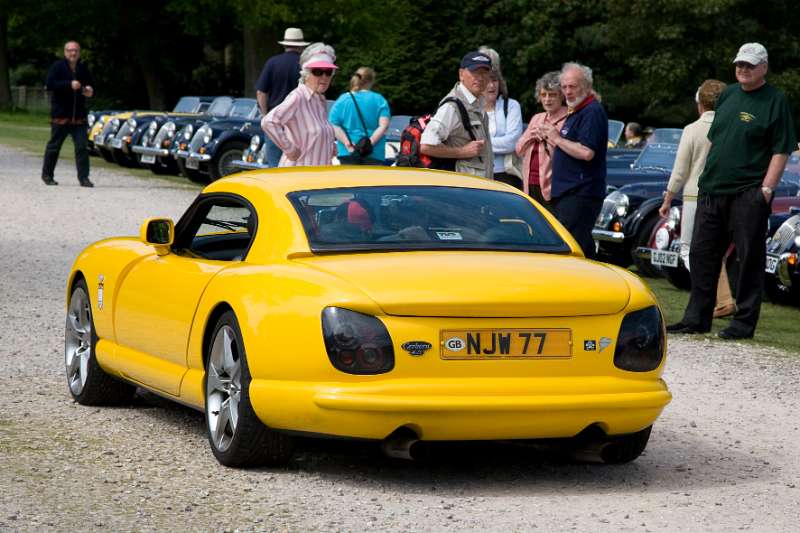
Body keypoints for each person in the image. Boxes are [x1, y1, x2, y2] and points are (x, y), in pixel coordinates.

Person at [667, 43, 796, 339]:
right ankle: (696, 318)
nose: (743, 69)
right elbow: (717, 139)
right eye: (739, 64)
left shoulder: (775, 100)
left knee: (748, 258)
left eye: (750, 65)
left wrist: (766, 189)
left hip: (748, 191)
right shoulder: (727, 95)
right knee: (701, 254)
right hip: (712, 189)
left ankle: (743, 322)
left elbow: (781, 149)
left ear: (763, 67)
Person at [658, 80, 735, 318]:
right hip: (725, 194)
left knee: (690, 250)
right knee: (715, 250)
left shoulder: (692, 129)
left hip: (695, 195)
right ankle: (720, 298)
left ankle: (716, 298)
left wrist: (668, 197)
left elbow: (680, 170)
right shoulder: (731, 127)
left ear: (700, 103)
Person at [540, 62, 608, 259]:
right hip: (568, 193)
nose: (567, 92)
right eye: (564, 87)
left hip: (580, 193)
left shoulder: (591, 112)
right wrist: (551, 140)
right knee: (581, 248)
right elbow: (566, 152)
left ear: (586, 86)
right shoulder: (576, 111)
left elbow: (587, 152)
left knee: (572, 250)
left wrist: (557, 138)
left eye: (572, 86)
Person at [419, 51, 493, 178]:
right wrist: (462, 151)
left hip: (477, 188)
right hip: (461, 190)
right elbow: (426, 146)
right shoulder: (452, 106)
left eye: (484, 72)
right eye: (474, 72)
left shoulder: (478, 103)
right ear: (461, 74)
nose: (480, 77)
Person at [261, 43, 337, 167]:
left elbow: (316, 133)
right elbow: (269, 122)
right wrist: (290, 149)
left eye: (328, 72)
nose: (324, 77)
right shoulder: (298, 96)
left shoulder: (320, 100)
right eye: (317, 72)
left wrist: (329, 145)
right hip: (298, 176)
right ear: (306, 74)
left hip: (318, 177)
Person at [41, 41, 94, 187]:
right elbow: (49, 85)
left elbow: (89, 85)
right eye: (70, 50)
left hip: (79, 117)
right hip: (61, 115)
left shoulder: (83, 69)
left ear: (79, 52)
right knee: (54, 146)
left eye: (75, 50)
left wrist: (88, 90)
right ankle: (47, 175)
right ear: (65, 52)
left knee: (82, 147)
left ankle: (84, 178)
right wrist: (68, 85)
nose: (73, 53)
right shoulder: (57, 67)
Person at [254, 28, 310, 167]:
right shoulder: (306, 66)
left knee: (274, 165)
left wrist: (265, 115)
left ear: (285, 45)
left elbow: (261, 92)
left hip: (275, 120)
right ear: (301, 47)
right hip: (300, 122)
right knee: (297, 164)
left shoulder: (272, 63)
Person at [516, 71, 568, 206]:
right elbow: (519, 149)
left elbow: (566, 155)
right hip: (530, 183)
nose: (547, 99)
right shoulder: (537, 118)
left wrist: (550, 137)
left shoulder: (569, 119)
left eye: (552, 95)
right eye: (543, 95)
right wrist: (531, 135)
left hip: (554, 187)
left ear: (561, 96)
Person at [478, 46, 523, 188]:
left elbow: (512, 143)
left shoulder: (511, 106)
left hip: (506, 175)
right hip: (477, 174)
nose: (492, 85)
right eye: (487, 81)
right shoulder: (470, 108)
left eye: (495, 80)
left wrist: (481, 144)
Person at [329, 67, 391, 165]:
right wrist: (370, 142)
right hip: (374, 153)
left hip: (348, 152)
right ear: (371, 81)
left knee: (350, 180)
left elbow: (333, 124)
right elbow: (383, 126)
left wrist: (347, 143)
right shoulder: (379, 100)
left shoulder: (343, 99)